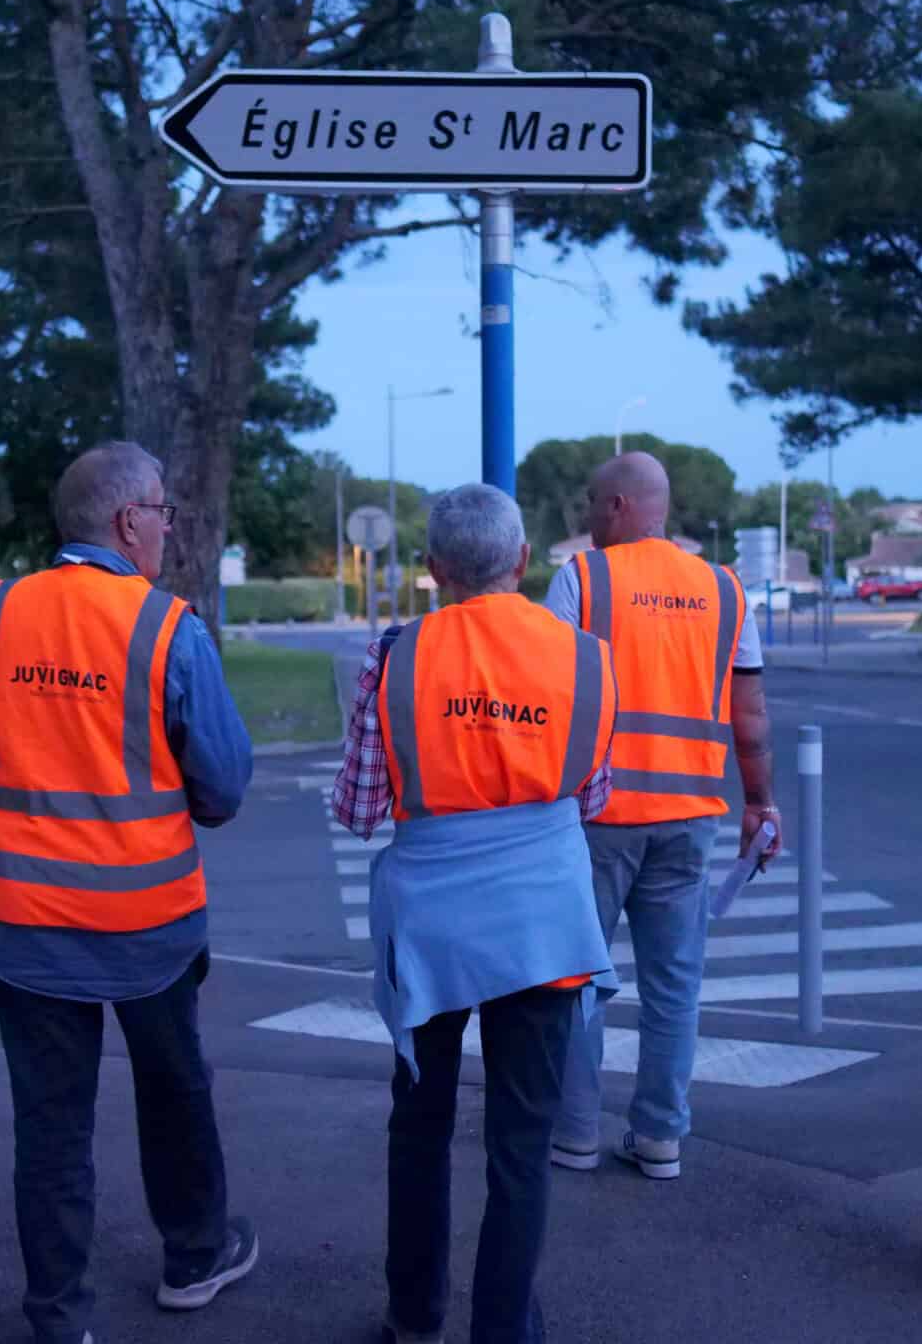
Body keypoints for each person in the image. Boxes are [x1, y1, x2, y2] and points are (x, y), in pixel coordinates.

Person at [0, 441, 256, 1344]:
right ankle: (195, 1257)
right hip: (146, 920)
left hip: (25, 922)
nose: (167, 527)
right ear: (128, 522)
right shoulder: (164, 626)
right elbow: (223, 789)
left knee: (49, 1123)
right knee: (174, 1089)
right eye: (163, 512)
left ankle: (58, 1315)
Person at [333, 482, 618, 1344]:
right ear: (524, 563)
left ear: (432, 569)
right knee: (520, 1146)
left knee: (419, 1129)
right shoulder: (584, 658)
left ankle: (415, 1317)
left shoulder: (396, 656)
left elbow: (357, 808)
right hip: (544, 931)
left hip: (431, 933)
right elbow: (592, 797)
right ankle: (504, 1330)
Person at [543, 450, 780, 1181]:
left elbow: (550, 697)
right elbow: (750, 715)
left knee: (576, 978)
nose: (585, 516)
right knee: (674, 986)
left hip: (597, 817)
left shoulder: (582, 579)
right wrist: (760, 801)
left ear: (618, 506)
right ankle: (660, 1139)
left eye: (591, 502)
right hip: (688, 818)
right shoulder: (724, 590)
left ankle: (576, 1134)